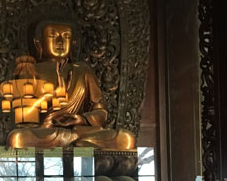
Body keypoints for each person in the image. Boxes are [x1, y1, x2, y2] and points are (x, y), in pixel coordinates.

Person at [7, 20, 136, 150]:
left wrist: (82, 119)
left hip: (79, 131)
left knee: (126, 138)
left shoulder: (83, 71)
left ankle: (78, 145)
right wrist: (49, 100)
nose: (60, 42)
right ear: (38, 43)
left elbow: (100, 111)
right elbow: (24, 119)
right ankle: (81, 147)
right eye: (52, 36)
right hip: (48, 132)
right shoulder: (30, 70)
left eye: (66, 37)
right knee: (17, 138)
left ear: (73, 43)